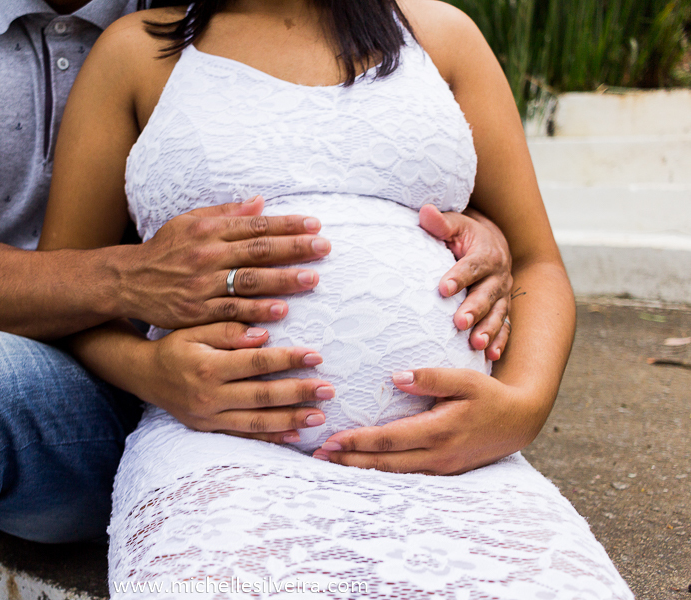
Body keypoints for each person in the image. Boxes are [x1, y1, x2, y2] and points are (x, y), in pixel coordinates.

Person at [0, 1, 512, 598]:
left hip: (102, 377)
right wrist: (129, 277)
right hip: (31, 350)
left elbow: (328, 130)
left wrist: (473, 223)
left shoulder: (184, 11)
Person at [37, 0, 633, 597]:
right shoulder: (139, 53)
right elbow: (65, 290)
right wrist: (149, 370)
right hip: (219, 455)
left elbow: (535, 261)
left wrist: (521, 409)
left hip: (459, 467)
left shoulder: (443, 37)